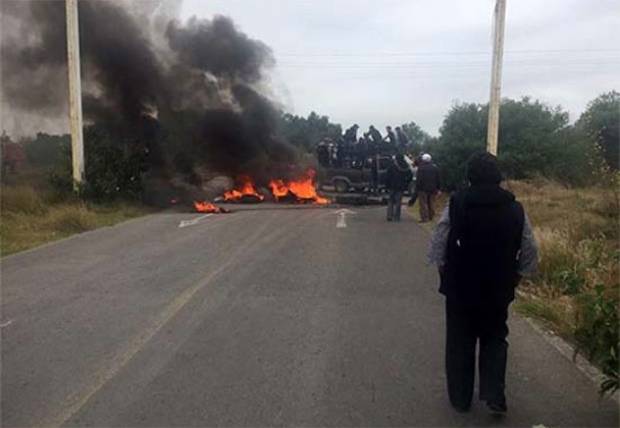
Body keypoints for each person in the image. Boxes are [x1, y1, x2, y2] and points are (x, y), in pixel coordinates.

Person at [428, 152, 538, 416]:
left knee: (459, 341)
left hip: (460, 286)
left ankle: (461, 398)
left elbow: (440, 238)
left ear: (470, 177)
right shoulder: (515, 208)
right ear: (498, 177)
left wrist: (444, 269)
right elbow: (530, 248)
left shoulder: (457, 203)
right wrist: (518, 278)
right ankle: (494, 394)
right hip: (498, 287)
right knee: (495, 338)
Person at [385, 154, 413, 222]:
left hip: (392, 186)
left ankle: (389, 216)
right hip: (401, 187)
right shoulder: (405, 166)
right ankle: (397, 217)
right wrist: (406, 182)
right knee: (398, 202)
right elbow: (410, 175)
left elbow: (387, 177)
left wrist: (387, 186)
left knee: (391, 201)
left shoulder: (392, 166)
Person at [416, 153, 440, 222]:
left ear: (423, 160)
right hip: (433, 189)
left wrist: (417, 188)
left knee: (423, 204)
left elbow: (419, 179)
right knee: (431, 203)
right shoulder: (435, 168)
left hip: (422, 189)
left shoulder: (421, 168)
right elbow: (438, 179)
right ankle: (431, 216)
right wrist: (438, 188)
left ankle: (424, 218)